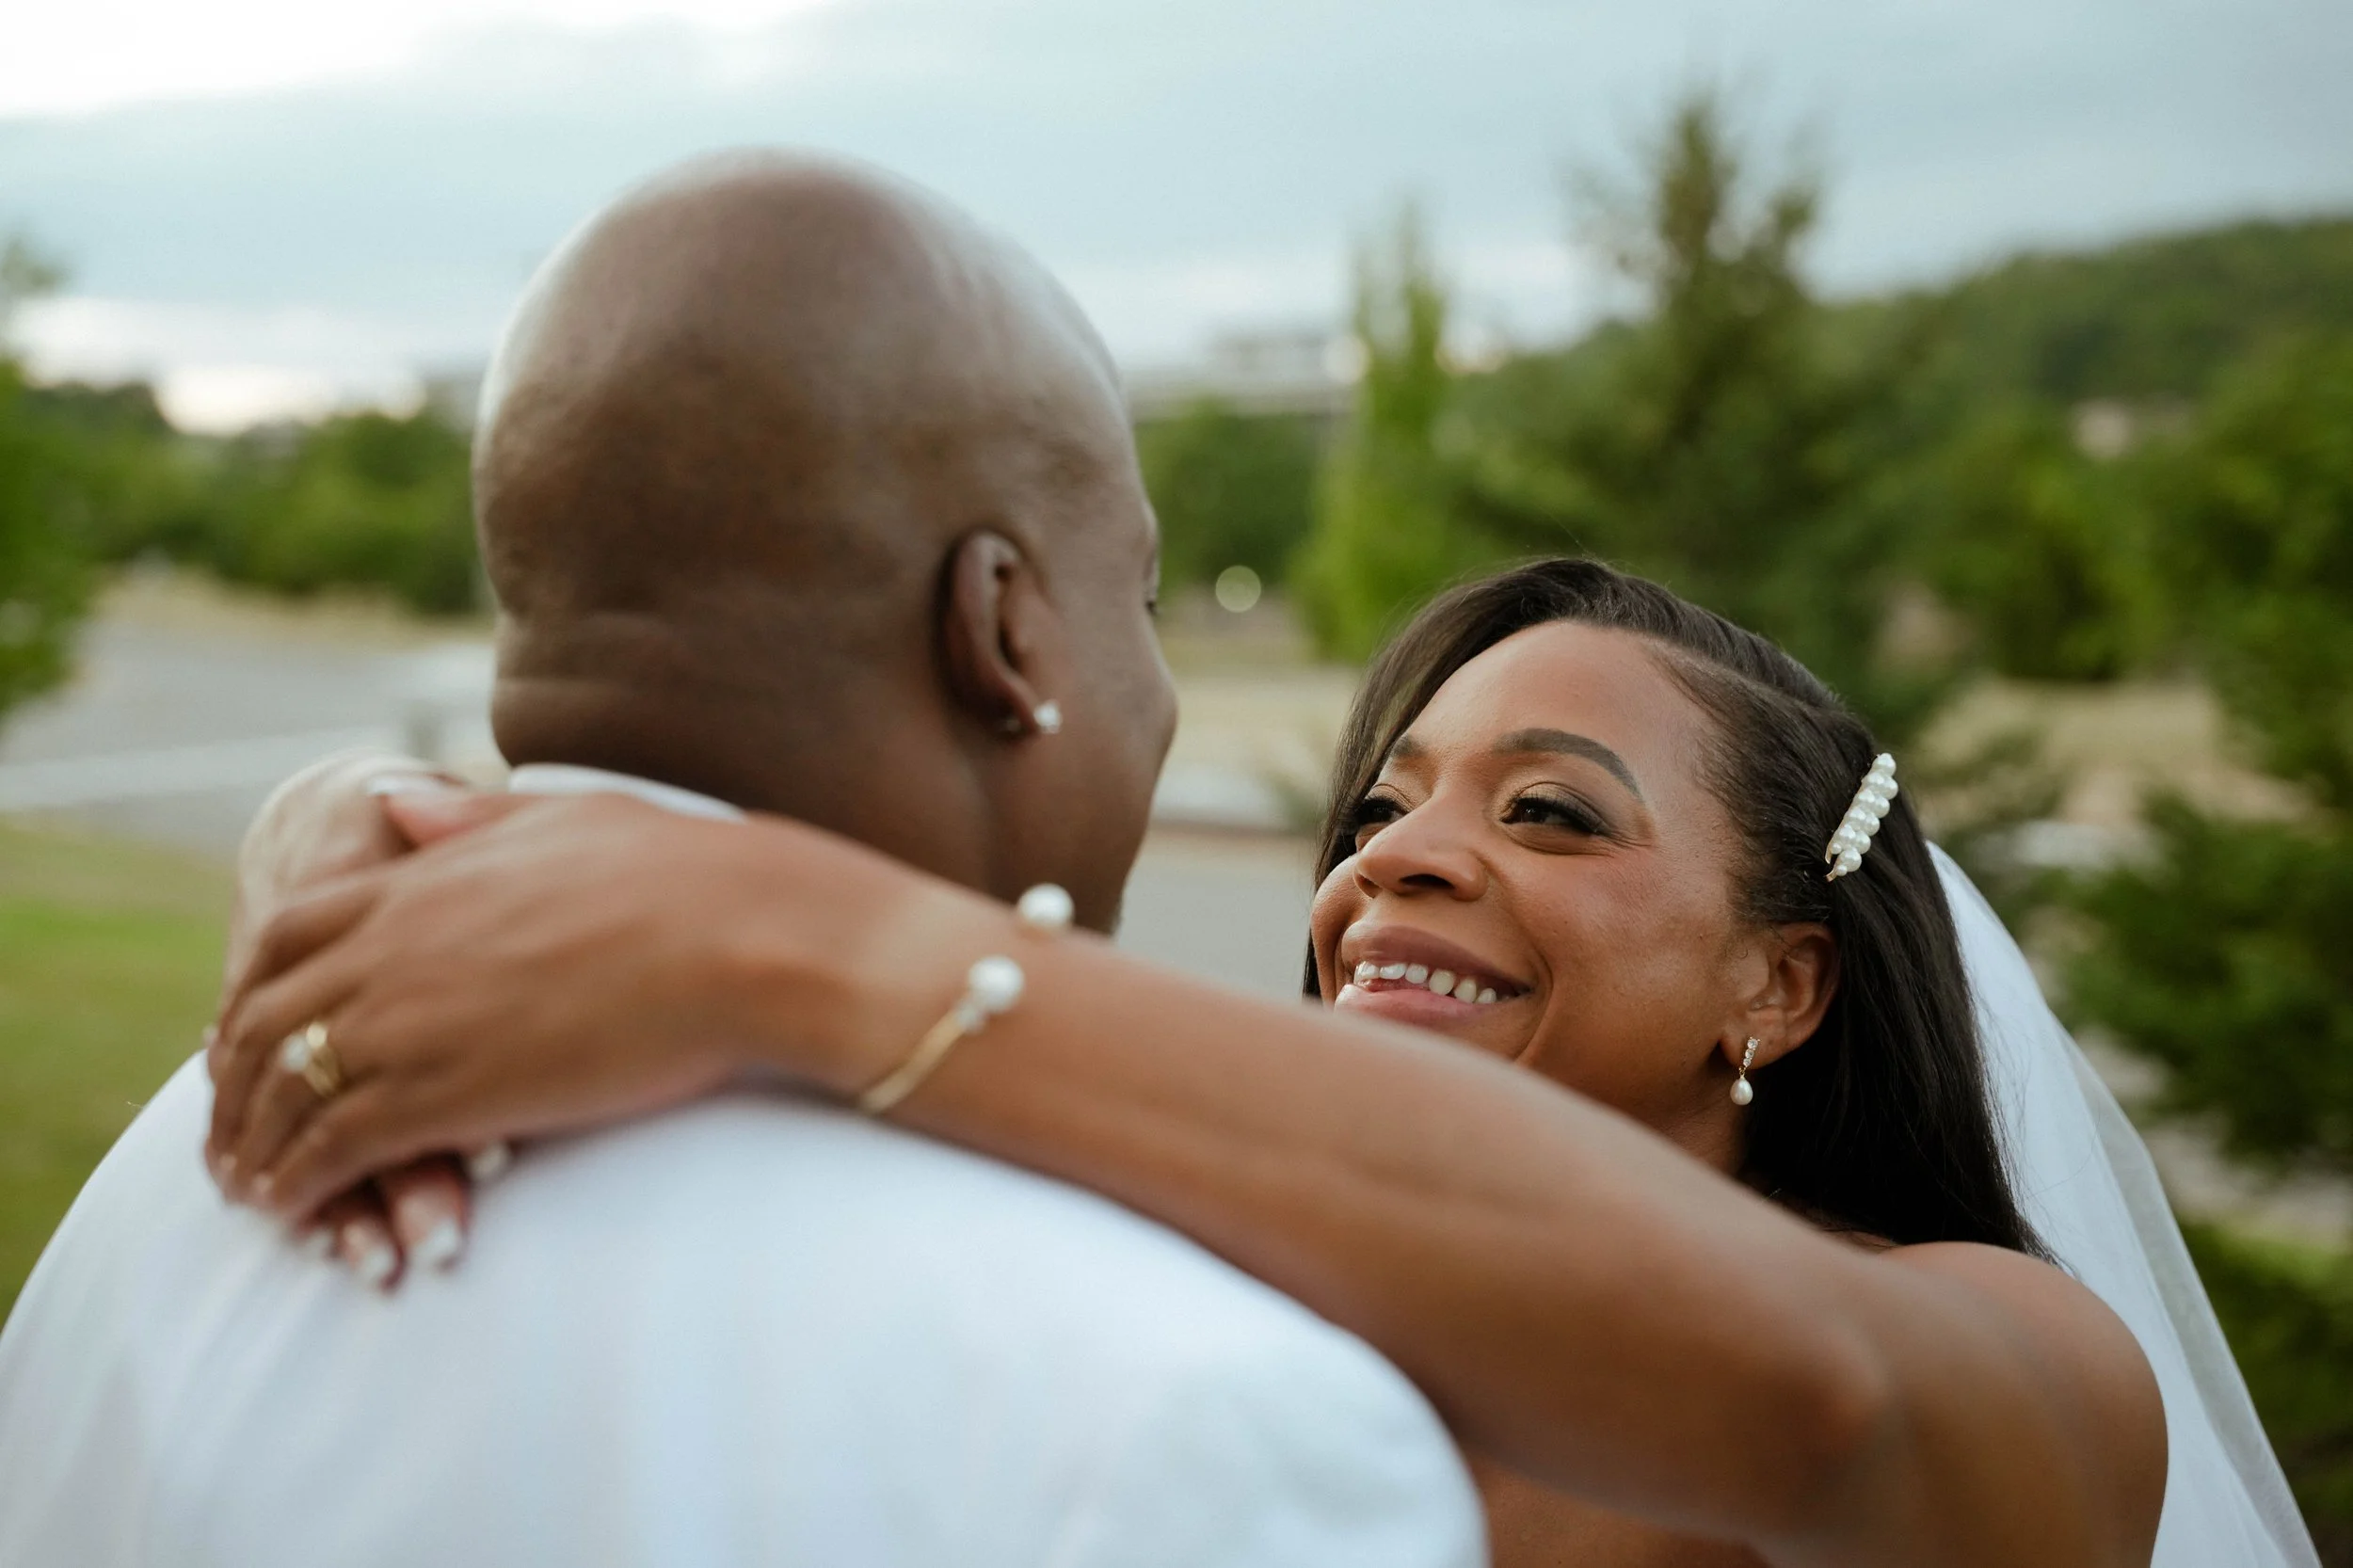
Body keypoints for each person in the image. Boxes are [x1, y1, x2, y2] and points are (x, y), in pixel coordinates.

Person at [202, 546, 2325, 1567]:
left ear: (1774, 985)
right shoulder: (1236, 1243)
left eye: (1548, 810)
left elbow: (1825, 1409)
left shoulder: (2019, 1352)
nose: (1398, 864)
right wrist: (361, 827)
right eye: (1383, 806)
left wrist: (812, 942)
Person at [0, 154, 1489, 1568]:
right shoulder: (1201, 1408)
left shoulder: (173, 1179)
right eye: (1143, 598)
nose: (1156, 691)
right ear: (1005, 627)